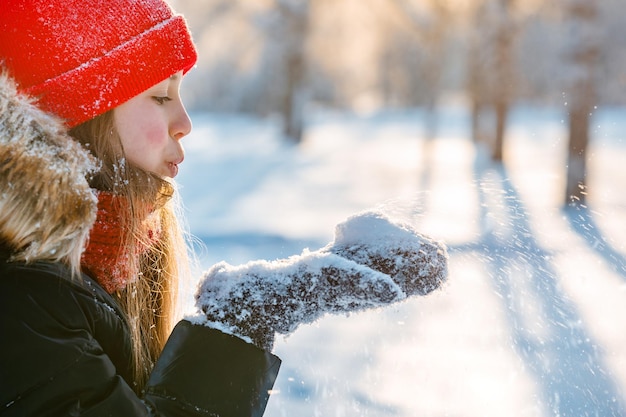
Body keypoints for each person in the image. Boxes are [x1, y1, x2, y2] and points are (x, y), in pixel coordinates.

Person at [0, 0, 448, 416]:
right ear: (76, 112)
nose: (185, 123)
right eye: (160, 96)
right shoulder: (25, 302)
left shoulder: (99, 266)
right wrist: (243, 321)